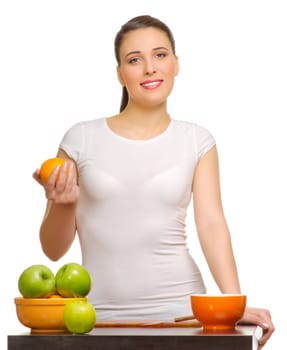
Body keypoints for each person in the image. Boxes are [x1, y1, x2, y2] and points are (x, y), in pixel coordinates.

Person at [33, 15, 274, 348]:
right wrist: (64, 203)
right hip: (95, 320)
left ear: (176, 64)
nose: (149, 68)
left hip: (183, 316)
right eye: (135, 60)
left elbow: (211, 224)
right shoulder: (79, 139)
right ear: (120, 74)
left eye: (160, 55)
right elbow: (53, 249)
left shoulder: (197, 140)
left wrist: (233, 304)